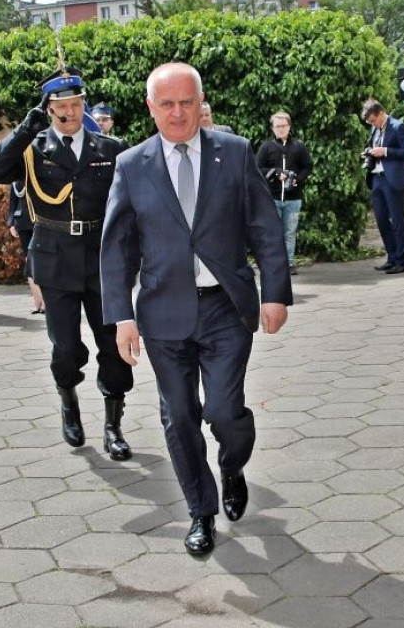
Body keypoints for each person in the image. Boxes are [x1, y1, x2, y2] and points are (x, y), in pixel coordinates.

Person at [101, 62, 292, 556]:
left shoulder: (235, 152)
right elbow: (117, 248)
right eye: (167, 104)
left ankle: (232, 465)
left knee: (225, 412)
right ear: (151, 107)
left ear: (200, 103)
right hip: (163, 314)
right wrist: (122, 317)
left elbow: (265, 228)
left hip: (225, 308)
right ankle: (200, 512)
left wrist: (275, 293)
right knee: (179, 416)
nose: (178, 113)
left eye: (187, 102)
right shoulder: (132, 165)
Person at [0, 66, 133, 461]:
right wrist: (23, 130)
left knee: (112, 345)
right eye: (61, 106)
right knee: (65, 347)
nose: (70, 113)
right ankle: (68, 399)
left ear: (84, 105)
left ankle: (113, 426)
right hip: (54, 256)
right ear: (48, 109)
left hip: (101, 257)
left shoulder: (110, 148)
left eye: (76, 104)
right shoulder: (33, 148)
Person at [256, 111, 312, 275]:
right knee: (272, 232)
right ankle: (274, 264)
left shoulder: (299, 146)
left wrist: (297, 180)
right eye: (277, 126)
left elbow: (307, 166)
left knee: (290, 232)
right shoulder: (266, 147)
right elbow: (258, 168)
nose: (281, 129)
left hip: (293, 198)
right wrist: (275, 173)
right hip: (272, 197)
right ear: (272, 128)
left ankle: (289, 263)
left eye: (284, 125)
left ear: (289, 127)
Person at [362, 99, 404, 274]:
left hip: (392, 179)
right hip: (376, 178)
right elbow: (372, 145)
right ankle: (391, 257)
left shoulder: (398, 127)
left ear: (381, 113)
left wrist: (384, 151)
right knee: (381, 219)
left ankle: (401, 261)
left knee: (397, 220)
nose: (372, 124)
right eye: (369, 122)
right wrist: (369, 152)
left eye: (373, 120)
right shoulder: (374, 129)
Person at [7, 182, 45, 314]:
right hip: (22, 222)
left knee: (42, 261)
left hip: (39, 221)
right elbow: (13, 201)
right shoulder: (17, 179)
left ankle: (46, 302)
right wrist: (11, 223)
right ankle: (37, 301)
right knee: (29, 262)